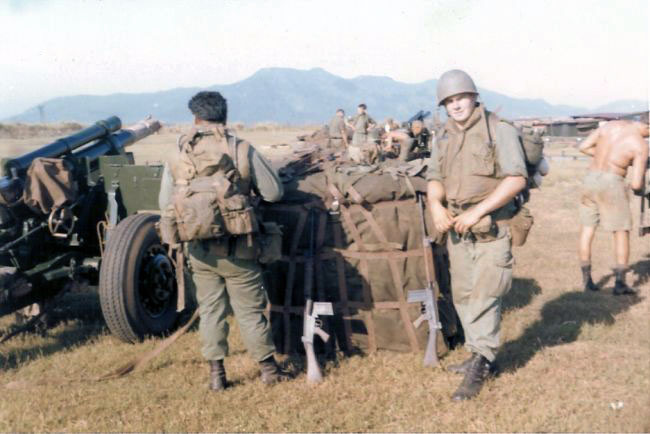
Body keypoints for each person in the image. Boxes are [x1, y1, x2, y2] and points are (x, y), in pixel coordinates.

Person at [158, 91, 290, 391]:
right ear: (224, 117)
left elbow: (165, 201)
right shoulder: (241, 149)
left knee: (211, 310)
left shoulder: (178, 153)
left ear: (195, 118)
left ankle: (217, 376)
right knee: (250, 310)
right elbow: (274, 193)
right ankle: (269, 371)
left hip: (199, 250)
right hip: (239, 247)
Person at [425, 69, 527, 400]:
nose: (456, 106)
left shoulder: (500, 130)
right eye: (449, 101)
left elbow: (515, 179)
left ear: (474, 97)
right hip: (457, 227)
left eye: (460, 98)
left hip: (491, 226)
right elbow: (434, 177)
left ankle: (481, 362)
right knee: (464, 294)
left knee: (486, 292)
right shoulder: (442, 136)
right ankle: (478, 354)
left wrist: (477, 211)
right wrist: (436, 206)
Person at [577, 120, 649, 294]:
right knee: (621, 231)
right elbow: (636, 184)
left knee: (587, 229)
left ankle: (586, 281)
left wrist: (610, 160)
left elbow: (584, 147)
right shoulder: (640, 144)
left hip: (590, 178)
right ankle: (620, 283)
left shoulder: (608, 126)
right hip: (612, 183)